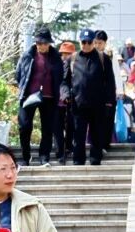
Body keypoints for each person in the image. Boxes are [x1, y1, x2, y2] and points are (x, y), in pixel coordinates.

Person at [14, 27, 64, 166]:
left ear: (49, 43)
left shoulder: (56, 58)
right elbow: (18, 74)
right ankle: (25, 157)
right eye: (39, 43)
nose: (42, 46)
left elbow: (60, 76)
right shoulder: (27, 55)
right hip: (28, 96)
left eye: (45, 43)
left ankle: (44, 156)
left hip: (49, 97)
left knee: (47, 128)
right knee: (24, 126)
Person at [70, 28, 117, 166]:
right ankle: (78, 160)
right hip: (79, 104)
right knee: (79, 135)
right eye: (83, 42)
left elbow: (110, 82)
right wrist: (66, 93)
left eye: (89, 42)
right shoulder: (73, 58)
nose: (85, 45)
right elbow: (65, 81)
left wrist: (109, 101)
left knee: (97, 134)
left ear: (93, 42)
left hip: (98, 104)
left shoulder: (103, 59)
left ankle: (95, 160)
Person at [55, 41, 76, 164]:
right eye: (63, 54)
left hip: (71, 101)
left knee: (71, 126)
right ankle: (60, 152)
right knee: (57, 128)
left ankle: (68, 147)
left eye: (68, 54)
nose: (65, 56)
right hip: (57, 102)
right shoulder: (56, 65)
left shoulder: (76, 66)